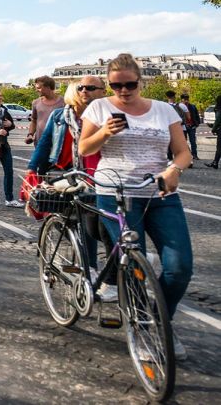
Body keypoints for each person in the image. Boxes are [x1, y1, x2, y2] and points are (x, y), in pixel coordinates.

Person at [78, 53, 194, 361]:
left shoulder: (163, 110)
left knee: (180, 266)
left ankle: (161, 321)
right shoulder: (98, 107)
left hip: (160, 192)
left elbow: (183, 152)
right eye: (116, 86)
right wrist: (104, 132)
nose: (124, 91)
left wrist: (174, 170)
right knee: (134, 264)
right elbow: (84, 148)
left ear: (140, 81)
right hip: (116, 192)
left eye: (130, 84)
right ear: (109, 85)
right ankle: (143, 326)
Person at [30, 76, 116, 300]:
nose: (84, 92)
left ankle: (97, 268)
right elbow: (46, 141)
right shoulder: (61, 115)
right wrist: (32, 170)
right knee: (77, 222)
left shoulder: (102, 114)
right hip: (64, 172)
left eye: (88, 88)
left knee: (96, 223)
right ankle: (87, 266)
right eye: (80, 89)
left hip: (93, 173)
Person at [26, 76, 64, 146]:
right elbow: (34, 120)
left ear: (48, 87)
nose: (36, 90)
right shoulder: (35, 103)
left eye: (39, 88)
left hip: (59, 143)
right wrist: (30, 134)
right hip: (40, 143)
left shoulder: (63, 102)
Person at [178, 94, 200, 163]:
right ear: (181, 99)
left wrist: (197, 124)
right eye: (185, 99)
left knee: (193, 141)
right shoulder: (178, 107)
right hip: (183, 126)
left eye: (187, 99)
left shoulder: (192, 106)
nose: (186, 100)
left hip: (192, 126)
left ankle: (194, 155)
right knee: (184, 142)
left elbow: (196, 115)